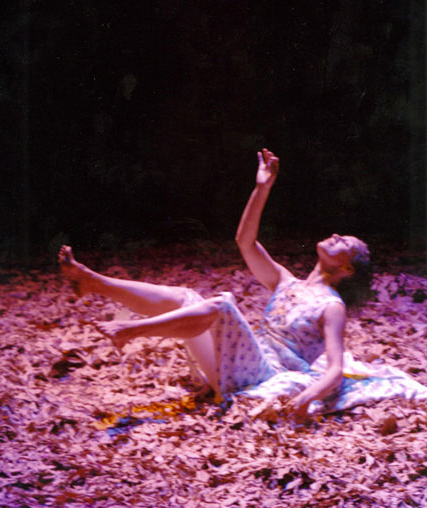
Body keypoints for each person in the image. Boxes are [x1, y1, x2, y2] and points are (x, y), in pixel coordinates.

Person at [58, 149, 426, 419]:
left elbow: (333, 369)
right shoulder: (287, 281)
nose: (334, 235)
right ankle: (92, 282)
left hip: (260, 377)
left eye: (344, 242)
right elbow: (245, 242)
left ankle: (130, 331)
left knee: (222, 304)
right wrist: (262, 188)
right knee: (186, 296)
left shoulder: (332, 306)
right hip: (236, 367)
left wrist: (306, 398)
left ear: (347, 268)